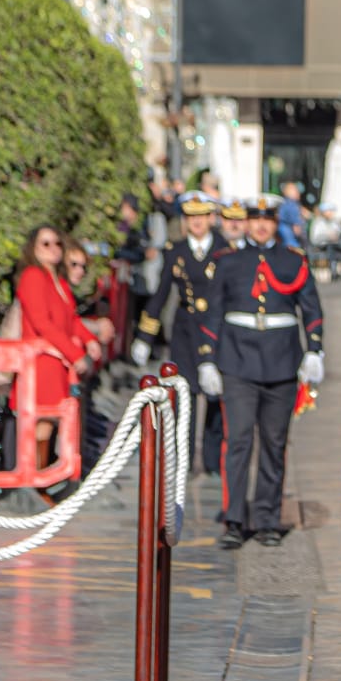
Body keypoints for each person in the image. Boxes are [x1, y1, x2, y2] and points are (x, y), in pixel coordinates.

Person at [200, 198, 323, 549]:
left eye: (267, 220)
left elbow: (311, 308)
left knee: (274, 443)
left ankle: (268, 518)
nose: (260, 226)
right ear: (247, 223)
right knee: (237, 441)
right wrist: (207, 359)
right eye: (254, 220)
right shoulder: (228, 262)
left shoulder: (293, 260)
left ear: (274, 223)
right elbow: (213, 313)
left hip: (282, 363)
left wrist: (315, 349)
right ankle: (235, 519)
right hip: (237, 361)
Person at [133, 191, 229, 472]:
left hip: (215, 330)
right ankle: (182, 462)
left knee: (214, 398)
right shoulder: (176, 251)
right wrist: (144, 336)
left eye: (201, 216)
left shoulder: (224, 250)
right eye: (190, 217)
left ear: (211, 218)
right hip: (186, 330)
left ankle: (212, 463)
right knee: (183, 396)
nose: (196, 222)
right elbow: (160, 294)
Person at [16, 226, 101, 470]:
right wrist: (76, 354)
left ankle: (42, 478)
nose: (53, 248)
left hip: (57, 360)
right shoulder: (33, 275)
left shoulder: (58, 281)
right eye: (45, 244)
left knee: (51, 421)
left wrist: (89, 340)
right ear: (33, 248)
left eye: (57, 243)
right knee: (41, 420)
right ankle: (34, 479)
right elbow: (42, 322)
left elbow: (70, 319)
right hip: (43, 361)